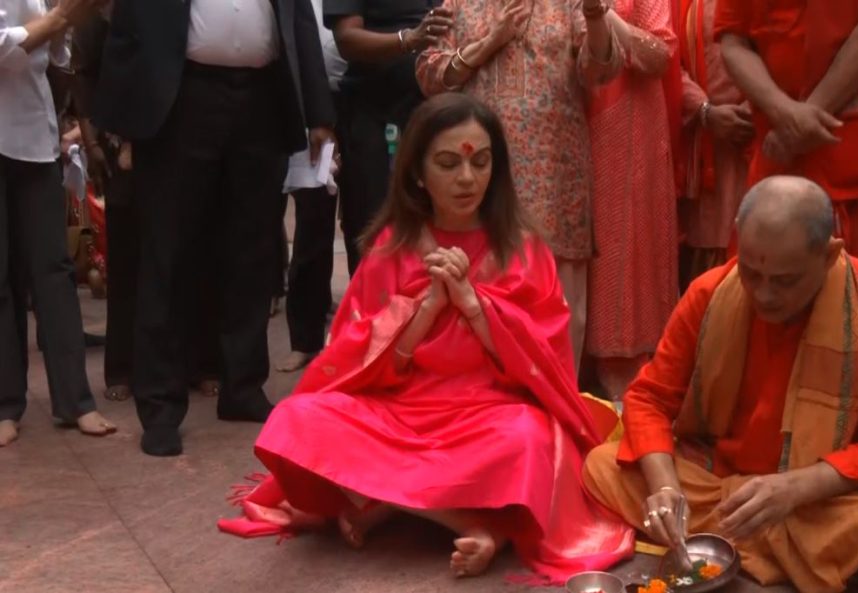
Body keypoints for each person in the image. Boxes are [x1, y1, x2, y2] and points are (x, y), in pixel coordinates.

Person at [218, 93, 634, 581]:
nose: (467, 179)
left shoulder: (522, 247)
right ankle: (472, 522)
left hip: (489, 416)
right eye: (448, 164)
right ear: (417, 172)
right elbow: (353, 360)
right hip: (399, 412)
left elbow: (548, 363)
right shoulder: (393, 245)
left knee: (530, 440)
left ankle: (383, 501)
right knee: (297, 420)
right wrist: (427, 307)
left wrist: (475, 305)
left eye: (481, 163)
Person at [582, 176, 858, 593]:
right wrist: (665, 489)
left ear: (830, 256)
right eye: (752, 273)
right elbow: (649, 398)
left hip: (818, 496)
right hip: (716, 476)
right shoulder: (711, 291)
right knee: (601, 466)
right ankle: (801, 555)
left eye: (785, 280)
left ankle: (738, 543)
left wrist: (797, 487)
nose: (764, 294)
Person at [92, 0, 336, 456]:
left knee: (253, 250)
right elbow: (128, 28)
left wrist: (319, 112)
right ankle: (161, 404)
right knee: (168, 254)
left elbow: (299, 21)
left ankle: (242, 386)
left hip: (263, 98)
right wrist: (121, 125)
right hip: (181, 96)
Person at [416, 0, 622, 371]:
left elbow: (600, 71)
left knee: (558, 303)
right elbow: (429, 76)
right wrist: (488, 43)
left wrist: (595, 16)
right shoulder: (459, 4)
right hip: (479, 178)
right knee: (479, 293)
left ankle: (556, 408)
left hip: (556, 177)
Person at [69, 3, 222, 402]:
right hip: (121, 140)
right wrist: (94, 141)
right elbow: (84, 78)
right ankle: (122, 366)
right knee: (128, 255)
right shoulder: (96, 14)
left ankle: (200, 363)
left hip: (183, 135)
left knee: (195, 252)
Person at [714, 0, 858, 279]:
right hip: (779, 155)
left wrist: (801, 120)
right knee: (765, 288)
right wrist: (783, 112)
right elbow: (733, 42)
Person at [0, 0, 116, 446]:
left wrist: (65, 24)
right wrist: (52, 21)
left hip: (33, 137)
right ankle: (6, 405)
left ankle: (76, 402)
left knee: (55, 270)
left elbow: (55, 60)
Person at [585, 0, 678, 400]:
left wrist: (602, 16)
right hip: (564, 122)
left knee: (622, 242)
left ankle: (626, 384)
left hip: (629, 127)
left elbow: (659, 54)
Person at [326, 0, 451, 275]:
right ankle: (371, 313)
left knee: (440, 226)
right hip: (374, 114)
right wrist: (408, 39)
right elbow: (347, 39)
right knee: (373, 226)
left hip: (440, 116)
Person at [275, 0, 350, 374]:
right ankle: (304, 339)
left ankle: (361, 335)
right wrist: (316, 115)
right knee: (312, 225)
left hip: (365, 99)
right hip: (310, 109)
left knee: (366, 223)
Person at [675, 0, 753, 287]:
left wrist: (761, 103)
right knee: (705, 252)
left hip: (762, 134)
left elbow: (787, 47)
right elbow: (670, 62)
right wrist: (705, 111)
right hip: (702, 146)